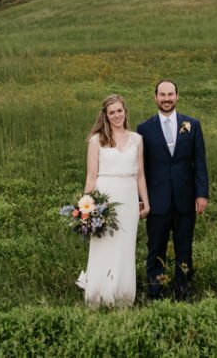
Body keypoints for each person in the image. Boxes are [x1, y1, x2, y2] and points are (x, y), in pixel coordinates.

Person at [138, 79, 209, 301]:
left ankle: (183, 291)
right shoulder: (144, 129)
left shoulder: (192, 125)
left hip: (185, 199)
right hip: (157, 200)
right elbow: (141, 169)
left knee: (184, 248)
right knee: (156, 248)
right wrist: (141, 199)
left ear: (177, 96)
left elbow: (200, 162)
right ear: (155, 98)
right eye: (162, 95)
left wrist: (201, 194)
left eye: (171, 94)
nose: (167, 99)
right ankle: (154, 291)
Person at [77, 94, 150, 307]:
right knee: (103, 243)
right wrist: (86, 207)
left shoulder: (137, 139)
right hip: (105, 195)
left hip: (128, 196)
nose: (117, 115)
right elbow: (91, 176)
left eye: (120, 111)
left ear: (125, 112)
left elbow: (140, 174)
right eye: (112, 112)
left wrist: (145, 201)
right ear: (106, 116)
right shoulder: (96, 140)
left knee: (125, 245)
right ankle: (98, 294)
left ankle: (123, 295)